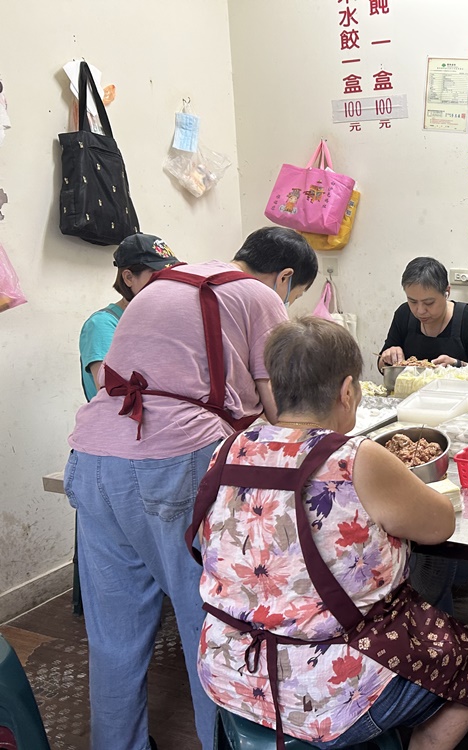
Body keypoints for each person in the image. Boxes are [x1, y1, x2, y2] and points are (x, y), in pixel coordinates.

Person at [191, 317, 468, 749]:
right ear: (348, 391)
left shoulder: (228, 449)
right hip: (323, 695)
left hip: (227, 668)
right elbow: (439, 525)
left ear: (275, 387)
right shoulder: (355, 458)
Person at [64, 227, 318, 750]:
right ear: (285, 279)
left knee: (113, 634)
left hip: (93, 456)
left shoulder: (163, 285)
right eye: (294, 296)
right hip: (172, 464)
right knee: (209, 622)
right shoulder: (259, 295)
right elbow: (281, 409)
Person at [79, 233, 180, 402]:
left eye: (170, 274)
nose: (166, 283)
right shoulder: (103, 324)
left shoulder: (158, 323)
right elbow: (113, 396)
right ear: (128, 278)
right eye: (157, 276)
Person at [379, 257, 468, 389]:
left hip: (457, 397)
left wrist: (457, 365)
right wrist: (387, 357)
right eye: (412, 301)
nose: (420, 311)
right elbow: (381, 365)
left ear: (447, 292)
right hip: (411, 397)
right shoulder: (404, 314)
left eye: (429, 303)